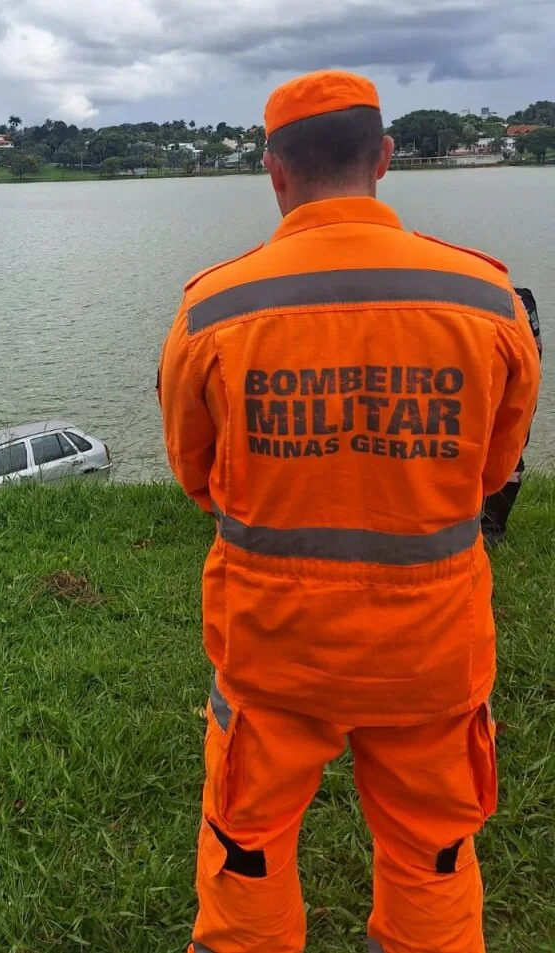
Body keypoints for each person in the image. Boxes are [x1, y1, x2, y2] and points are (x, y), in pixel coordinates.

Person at [158, 70, 540, 953]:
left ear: (273, 171)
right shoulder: (485, 300)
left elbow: (196, 474)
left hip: (273, 646)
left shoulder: (212, 308)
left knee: (245, 850)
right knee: (434, 854)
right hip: (431, 651)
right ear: (384, 159)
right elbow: (493, 475)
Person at [481, 287, 543, 545]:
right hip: (510, 376)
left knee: (511, 450)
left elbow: (534, 355)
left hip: (506, 375)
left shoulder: (519, 299)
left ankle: (492, 529)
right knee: (509, 447)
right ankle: (490, 528)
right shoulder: (517, 298)